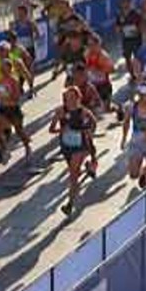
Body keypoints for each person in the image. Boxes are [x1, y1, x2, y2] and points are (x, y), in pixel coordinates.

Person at [50, 87, 98, 215]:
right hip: (66, 147)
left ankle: (70, 204)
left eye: (73, 98)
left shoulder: (84, 112)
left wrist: (88, 132)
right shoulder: (60, 111)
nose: (70, 101)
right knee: (74, 172)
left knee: (73, 175)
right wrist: (62, 130)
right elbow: (51, 129)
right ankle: (88, 166)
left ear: (78, 98)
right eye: (67, 98)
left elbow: (94, 123)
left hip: (80, 146)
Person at [0, 44, 32, 163]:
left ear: (10, 68)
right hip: (3, 109)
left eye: (5, 68)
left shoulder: (14, 80)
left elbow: (17, 97)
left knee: (19, 131)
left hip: (13, 109)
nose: (3, 70)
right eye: (2, 68)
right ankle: (4, 151)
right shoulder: (0, 80)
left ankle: (27, 146)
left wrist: (7, 97)